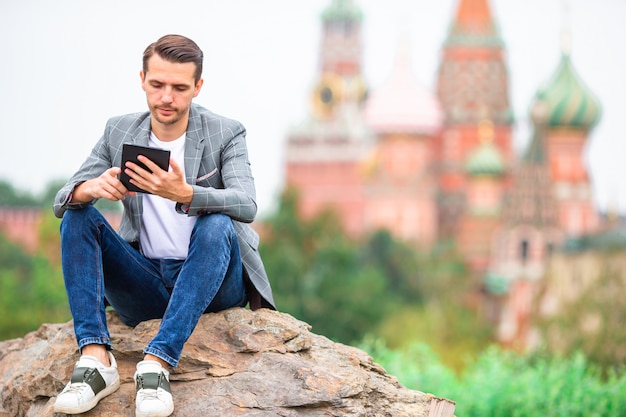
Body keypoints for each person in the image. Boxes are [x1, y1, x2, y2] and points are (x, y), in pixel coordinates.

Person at [52, 34, 275, 417]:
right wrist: (90, 188)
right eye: (157, 85)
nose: (166, 97)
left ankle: (157, 364)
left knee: (217, 222)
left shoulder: (226, 132)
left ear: (197, 87)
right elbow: (62, 200)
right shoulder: (118, 130)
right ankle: (95, 361)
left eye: (179, 87)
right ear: (142, 79)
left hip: (214, 284)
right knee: (78, 214)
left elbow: (247, 202)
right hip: (146, 282)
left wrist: (186, 193)